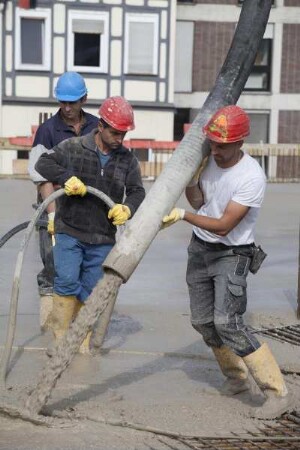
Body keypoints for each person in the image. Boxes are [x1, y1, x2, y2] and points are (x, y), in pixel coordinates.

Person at [162, 105, 290, 419]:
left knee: (228, 323)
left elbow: (222, 225)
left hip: (232, 254)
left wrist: (181, 215)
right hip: (200, 249)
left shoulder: (251, 177)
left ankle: (278, 393)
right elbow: (201, 202)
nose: (215, 150)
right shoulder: (210, 160)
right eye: (213, 143)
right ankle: (236, 378)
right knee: (203, 321)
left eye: (222, 145)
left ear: (240, 142)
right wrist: (192, 181)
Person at [35, 96, 145, 354]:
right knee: (66, 281)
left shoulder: (127, 160)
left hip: (103, 236)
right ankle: (60, 338)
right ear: (101, 126)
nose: (120, 139)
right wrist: (66, 178)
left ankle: (81, 341)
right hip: (70, 229)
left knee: (91, 290)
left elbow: (138, 191)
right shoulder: (73, 147)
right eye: (115, 133)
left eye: (124, 134)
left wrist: (128, 207)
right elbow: (43, 163)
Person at [28, 72, 99, 331]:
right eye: (63, 102)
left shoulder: (96, 127)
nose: (67, 108)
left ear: (84, 99)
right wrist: (52, 214)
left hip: (87, 210)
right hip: (54, 205)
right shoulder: (48, 130)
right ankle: (52, 325)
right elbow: (40, 175)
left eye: (73, 102)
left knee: (86, 267)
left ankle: (81, 327)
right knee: (53, 266)